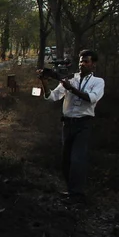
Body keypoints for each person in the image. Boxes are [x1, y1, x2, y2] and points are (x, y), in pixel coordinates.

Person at [37, 49, 105, 205]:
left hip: (83, 123)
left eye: (86, 61)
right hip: (67, 124)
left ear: (93, 64)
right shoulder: (70, 79)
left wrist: (70, 88)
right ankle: (71, 190)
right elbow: (52, 97)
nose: (82, 64)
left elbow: (90, 99)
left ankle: (78, 194)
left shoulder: (98, 82)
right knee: (66, 159)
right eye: (81, 61)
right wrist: (45, 82)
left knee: (78, 159)